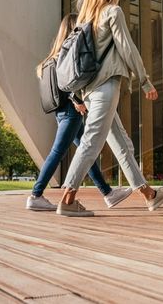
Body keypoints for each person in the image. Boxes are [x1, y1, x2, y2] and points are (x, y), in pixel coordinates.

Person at [57, 0, 163, 217]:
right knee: (92, 142)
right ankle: (68, 199)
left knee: (122, 143)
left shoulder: (84, 20)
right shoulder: (112, 11)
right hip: (105, 88)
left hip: (90, 91)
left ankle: (149, 195)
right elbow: (127, 47)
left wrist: (79, 96)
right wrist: (145, 81)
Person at [28, 13, 132, 211]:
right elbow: (67, 81)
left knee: (85, 152)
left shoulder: (52, 57)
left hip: (60, 111)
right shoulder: (66, 55)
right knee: (59, 152)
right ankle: (36, 194)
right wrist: (76, 100)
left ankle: (108, 193)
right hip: (70, 110)